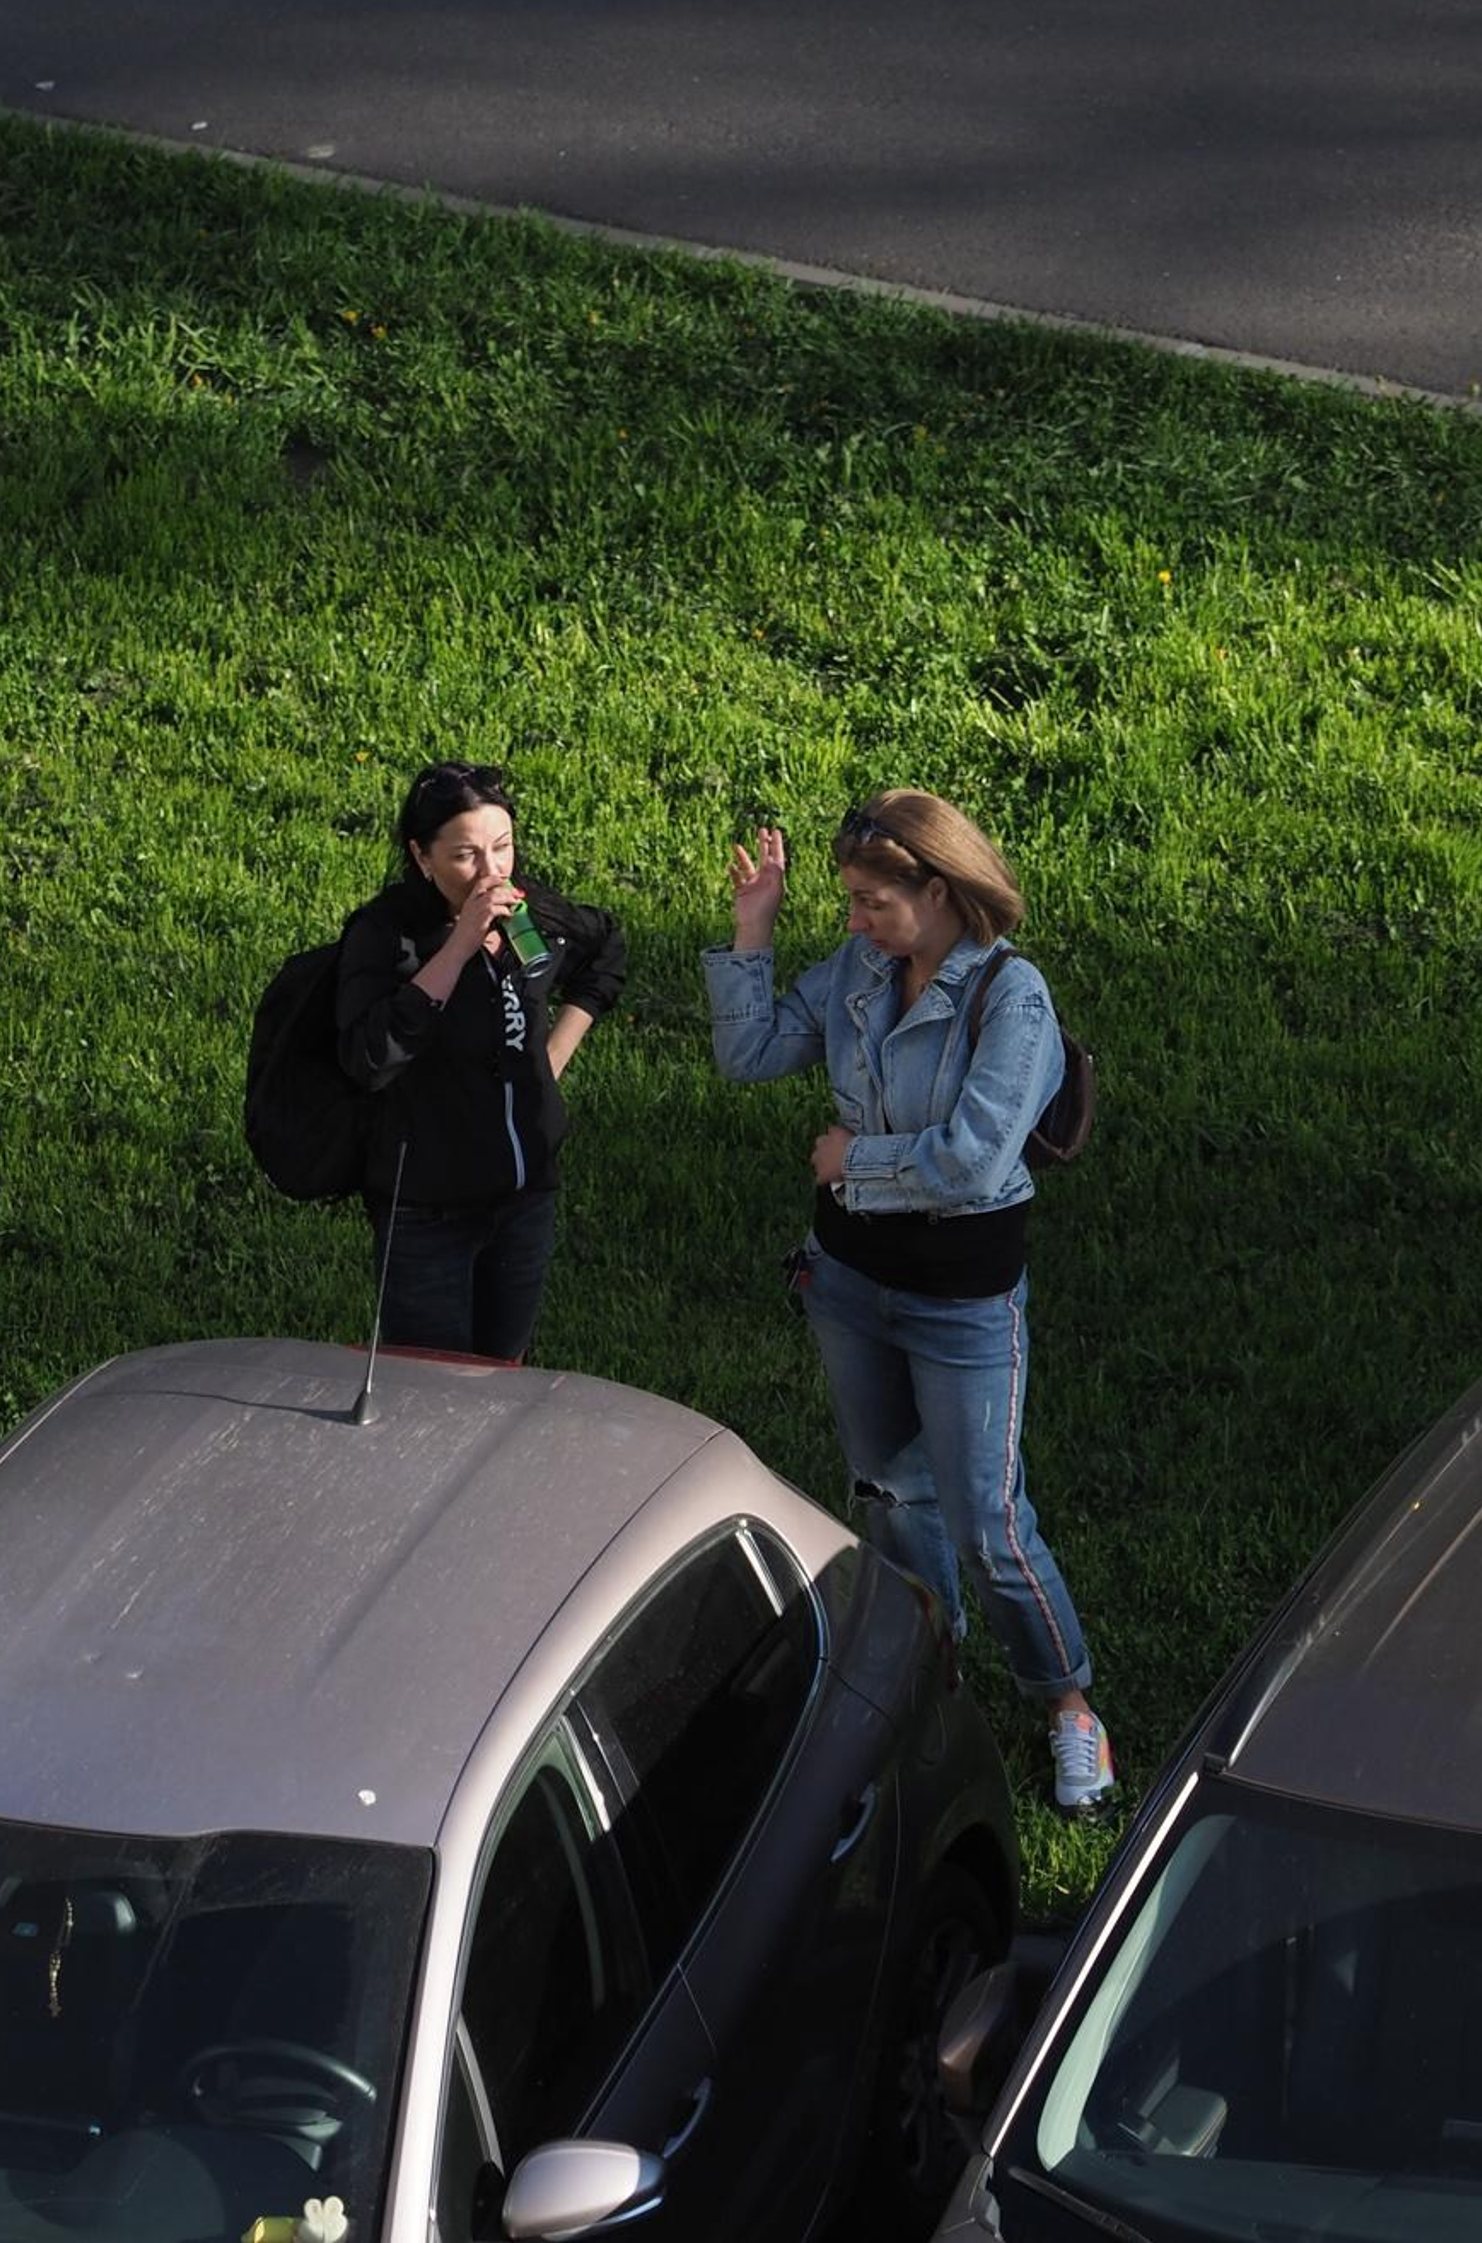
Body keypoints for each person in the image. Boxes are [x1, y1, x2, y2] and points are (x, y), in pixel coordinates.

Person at [705, 791, 1113, 1813]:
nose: (854, 921)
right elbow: (747, 1055)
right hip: (849, 1283)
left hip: (960, 1299)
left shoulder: (1012, 1000)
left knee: (990, 1525)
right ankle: (936, 1670)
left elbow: (973, 1163)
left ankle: (1068, 1706)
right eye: (849, 901)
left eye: (871, 902)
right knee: (890, 1495)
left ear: (938, 890)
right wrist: (753, 932)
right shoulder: (861, 968)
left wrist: (853, 1162)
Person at [335, 762, 627, 1362]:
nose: (492, 872)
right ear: (422, 857)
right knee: (431, 1384)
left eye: (503, 847)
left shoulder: (531, 916)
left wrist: (550, 1059)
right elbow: (370, 1058)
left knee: (501, 1376)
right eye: (466, 855)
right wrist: (460, 945)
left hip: (525, 1198)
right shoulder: (388, 936)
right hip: (427, 1210)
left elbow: (605, 948)